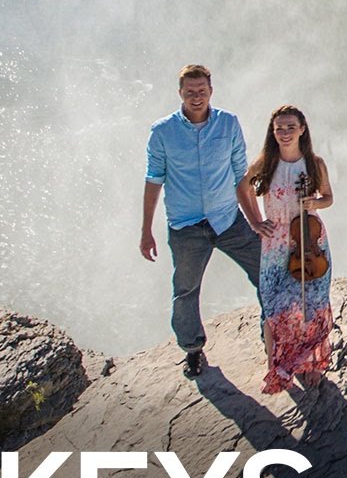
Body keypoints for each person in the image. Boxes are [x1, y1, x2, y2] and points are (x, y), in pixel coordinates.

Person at [141, 64, 261, 378]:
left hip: (227, 219)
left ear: (211, 91)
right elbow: (154, 180)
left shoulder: (228, 124)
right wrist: (146, 231)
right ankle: (193, 351)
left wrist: (256, 222)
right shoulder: (162, 131)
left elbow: (241, 176)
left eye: (202, 91)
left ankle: (275, 333)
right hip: (186, 226)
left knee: (266, 270)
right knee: (185, 290)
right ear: (180, 93)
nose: (197, 97)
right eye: (190, 92)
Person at [237, 105, 334, 394]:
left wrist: (315, 203)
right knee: (275, 306)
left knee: (312, 304)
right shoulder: (266, 162)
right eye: (279, 128)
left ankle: (312, 363)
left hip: (311, 241)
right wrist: (255, 221)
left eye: (291, 127)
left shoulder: (315, 163)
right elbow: (242, 187)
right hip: (275, 243)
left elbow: (328, 197)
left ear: (303, 129)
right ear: (273, 132)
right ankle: (277, 368)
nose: (285, 133)